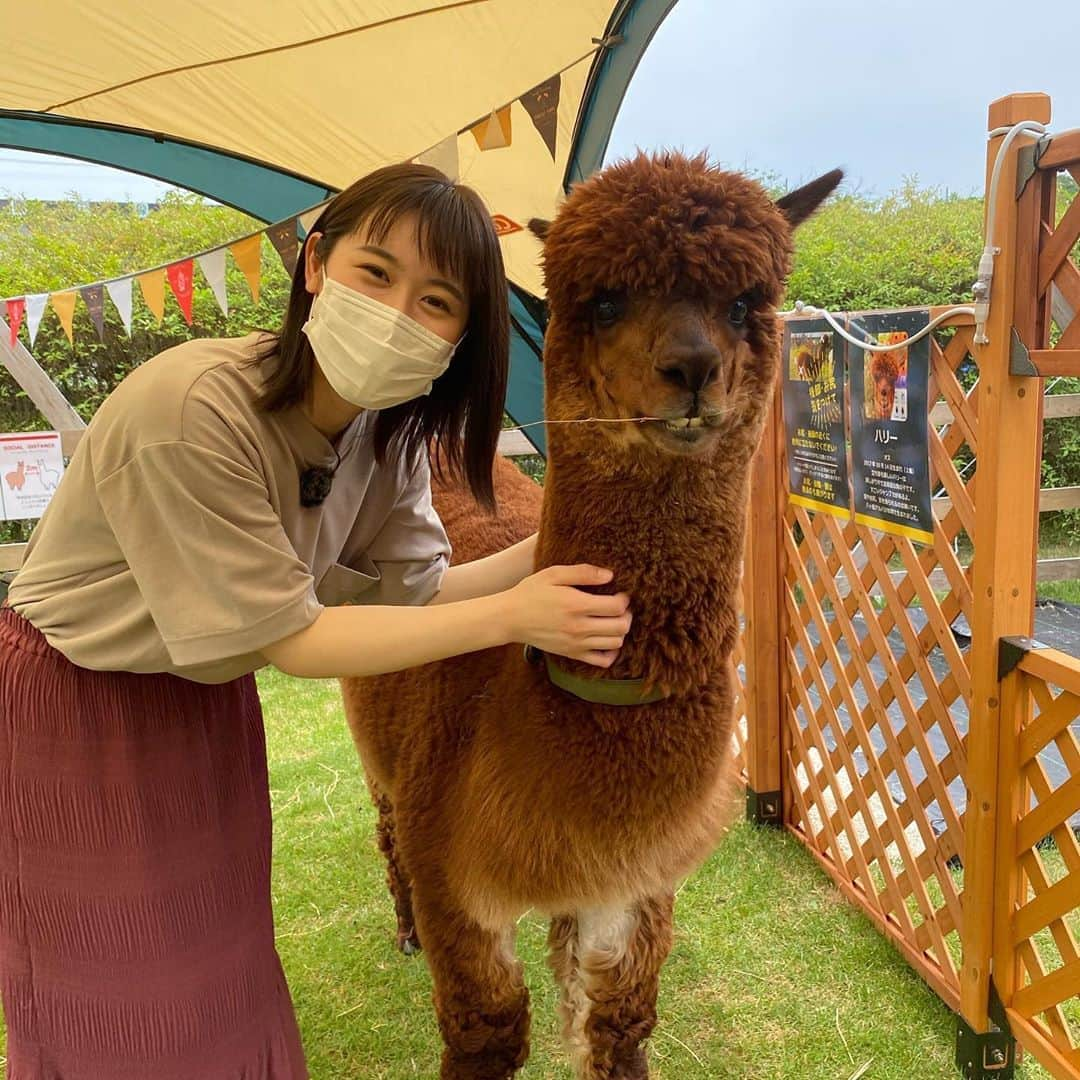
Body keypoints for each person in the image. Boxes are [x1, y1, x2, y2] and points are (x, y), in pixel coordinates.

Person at [0, 164, 632, 1079]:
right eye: (376, 274)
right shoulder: (192, 407)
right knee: (117, 979)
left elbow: (417, 588)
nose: (397, 312)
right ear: (315, 266)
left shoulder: (385, 433)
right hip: (74, 701)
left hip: (199, 699)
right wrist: (514, 616)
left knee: (222, 957)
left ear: (463, 335)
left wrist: (574, 534)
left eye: (437, 299)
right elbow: (296, 639)